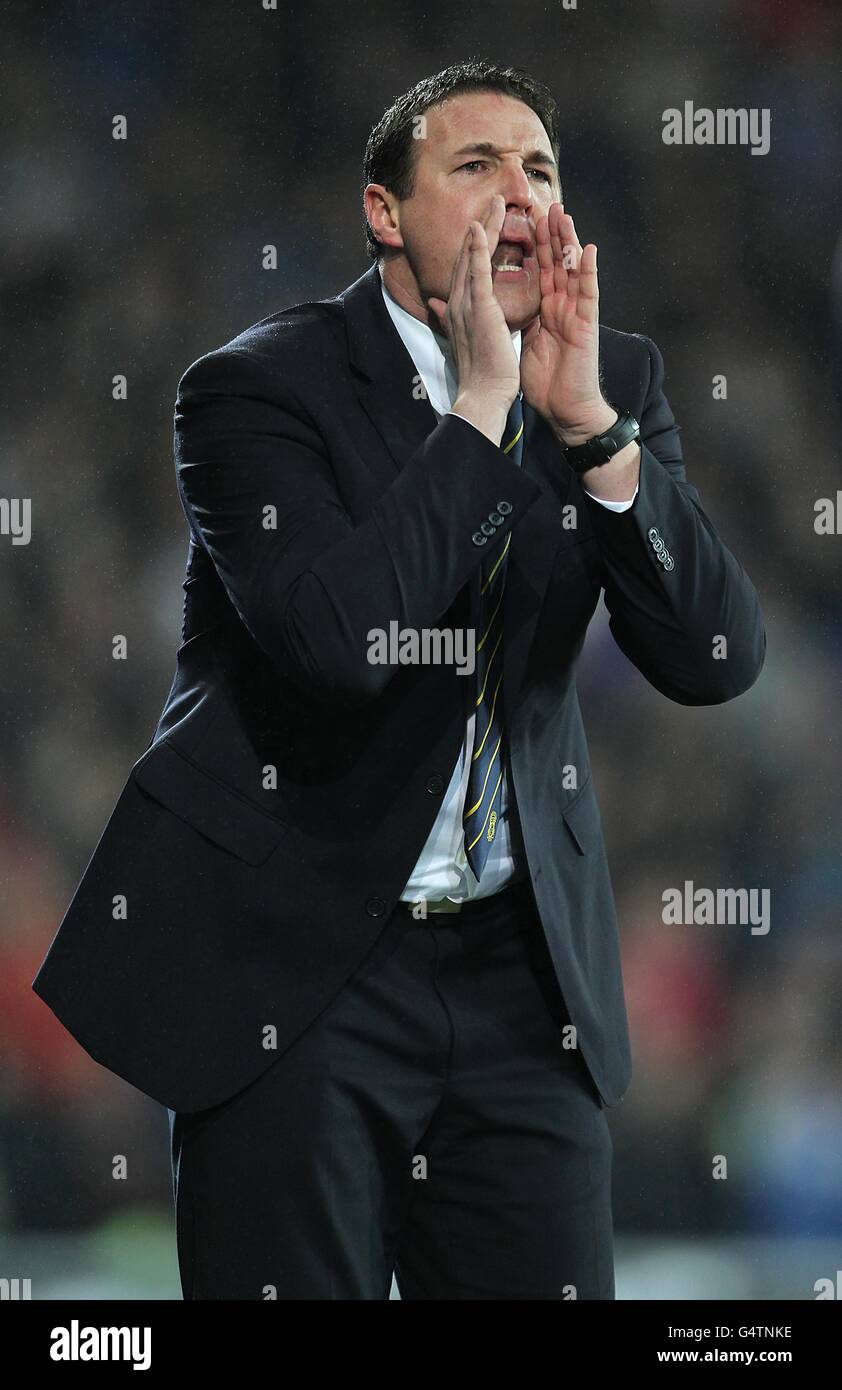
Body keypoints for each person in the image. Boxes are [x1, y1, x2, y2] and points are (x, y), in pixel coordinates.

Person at [32, 61, 766, 1300]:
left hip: (523, 985)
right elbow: (337, 642)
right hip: (302, 966)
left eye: (539, 170)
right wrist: (480, 413)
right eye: (475, 165)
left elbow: (712, 657)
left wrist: (587, 431)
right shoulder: (255, 391)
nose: (519, 194)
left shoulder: (607, 383)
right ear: (385, 212)